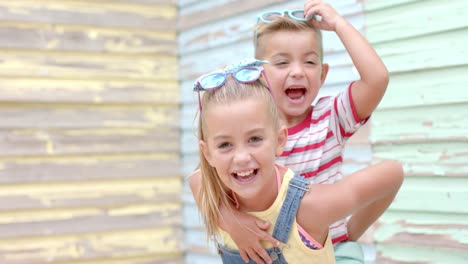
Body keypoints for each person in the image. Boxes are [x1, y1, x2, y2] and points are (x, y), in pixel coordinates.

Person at [190, 1, 391, 262]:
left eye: (309, 62)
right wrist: (232, 221)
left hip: (331, 248)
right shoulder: (249, 127)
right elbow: (199, 180)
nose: (297, 71)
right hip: (267, 246)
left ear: (322, 73)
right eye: (282, 62)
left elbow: (377, 80)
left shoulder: (332, 117)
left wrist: (339, 25)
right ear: (260, 75)